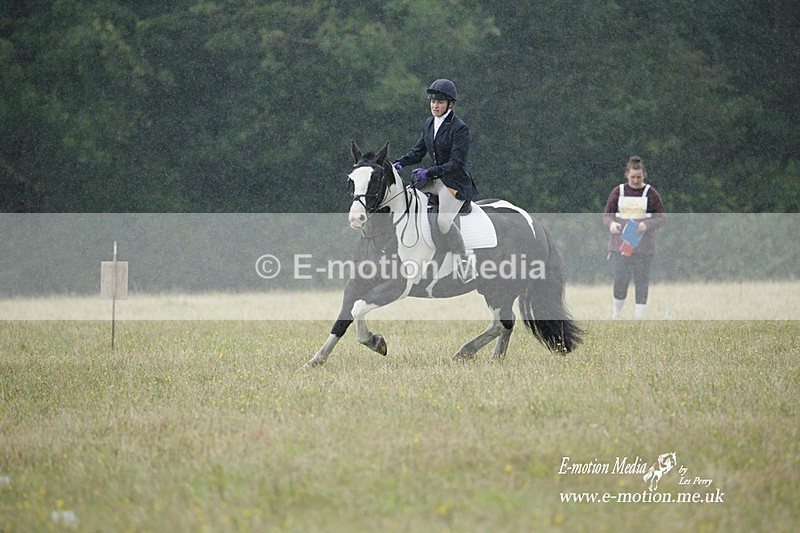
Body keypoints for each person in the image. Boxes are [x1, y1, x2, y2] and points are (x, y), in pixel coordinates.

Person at [393, 78, 478, 282]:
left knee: (442, 220)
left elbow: (456, 164)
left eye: (439, 102)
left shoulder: (459, 128)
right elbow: (419, 150)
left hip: (454, 183)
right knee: (408, 204)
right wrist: (400, 163)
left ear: (450, 104)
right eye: (432, 101)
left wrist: (429, 173)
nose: (435, 105)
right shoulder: (429, 123)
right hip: (434, 180)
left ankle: (463, 262)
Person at [602, 156, 667, 319]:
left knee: (641, 281)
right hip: (620, 246)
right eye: (633, 177)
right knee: (620, 280)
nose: (636, 181)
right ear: (627, 175)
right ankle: (616, 314)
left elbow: (661, 218)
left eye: (639, 177)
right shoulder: (618, 192)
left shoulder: (651, 193)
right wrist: (611, 225)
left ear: (644, 175)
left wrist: (647, 225)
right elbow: (606, 216)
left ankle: (640, 317)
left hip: (643, 247)